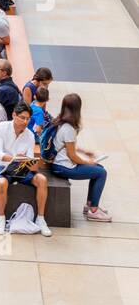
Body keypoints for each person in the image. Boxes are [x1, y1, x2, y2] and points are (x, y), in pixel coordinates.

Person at [0, 102, 51, 236]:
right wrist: (13, 158)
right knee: (2, 182)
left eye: (28, 119)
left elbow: (29, 159)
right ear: (14, 115)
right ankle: (1, 217)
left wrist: (32, 163)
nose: (25, 121)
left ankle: (40, 218)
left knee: (41, 179)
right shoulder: (2, 127)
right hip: (0, 164)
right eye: (22, 118)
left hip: (20, 167)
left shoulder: (29, 135)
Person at [47, 93, 110, 221]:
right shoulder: (68, 128)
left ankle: (90, 204)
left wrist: (84, 152)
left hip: (59, 163)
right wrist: (87, 162)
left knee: (99, 168)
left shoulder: (60, 121)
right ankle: (93, 211)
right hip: (62, 167)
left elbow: (66, 146)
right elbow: (72, 156)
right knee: (101, 172)